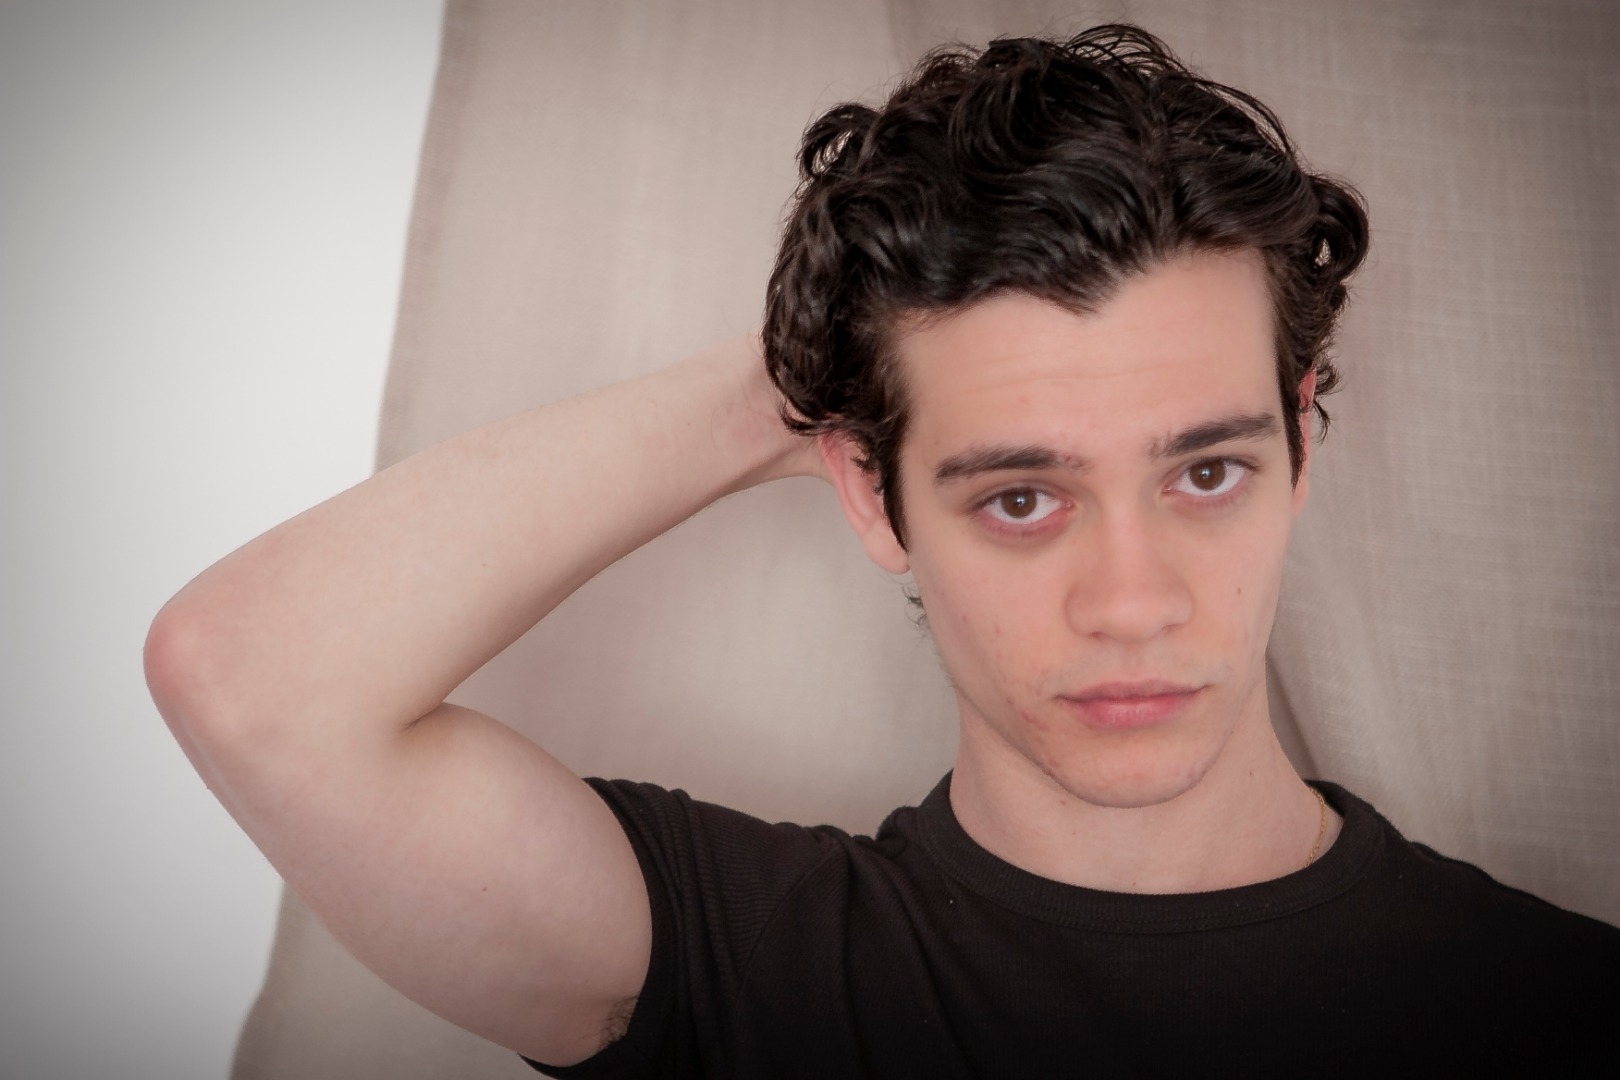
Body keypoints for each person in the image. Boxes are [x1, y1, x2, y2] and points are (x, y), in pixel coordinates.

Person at [144, 24, 1617, 1078]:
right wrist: (808, 374)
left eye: (1207, 471)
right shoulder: (745, 967)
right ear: (868, 492)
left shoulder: (1558, 1004)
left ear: (1302, 446)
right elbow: (248, 677)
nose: (1132, 602)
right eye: (1022, 496)